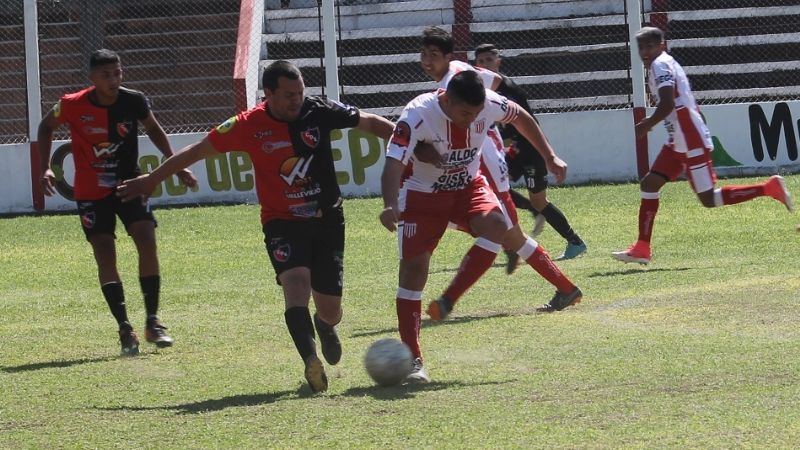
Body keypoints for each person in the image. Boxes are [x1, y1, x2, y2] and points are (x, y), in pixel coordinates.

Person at [118, 60, 394, 393]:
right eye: (289, 94)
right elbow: (198, 150)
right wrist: (152, 179)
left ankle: (324, 325)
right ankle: (310, 361)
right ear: (269, 94)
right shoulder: (248, 124)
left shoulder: (318, 110)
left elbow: (370, 122)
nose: (297, 100)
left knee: (330, 309)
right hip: (281, 221)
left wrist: (410, 145)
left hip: (327, 220)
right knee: (295, 284)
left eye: (300, 92)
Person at [380, 71, 582, 384]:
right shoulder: (417, 114)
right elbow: (393, 162)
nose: (471, 120)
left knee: (498, 225)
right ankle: (413, 360)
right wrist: (390, 204)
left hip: (468, 187)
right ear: (446, 98)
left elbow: (522, 116)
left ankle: (448, 300)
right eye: (464, 114)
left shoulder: (488, 104)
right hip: (421, 194)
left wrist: (550, 155)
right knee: (413, 271)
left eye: (476, 115)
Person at [37, 49, 196, 357]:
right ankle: (125, 327)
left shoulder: (133, 100)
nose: (113, 79)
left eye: (117, 73)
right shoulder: (72, 104)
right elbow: (46, 127)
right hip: (91, 192)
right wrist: (45, 166)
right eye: (106, 75)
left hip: (129, 184)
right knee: (104, 253)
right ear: (92, 78)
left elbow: (153, 128)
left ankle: (153, 321)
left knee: (147, 239)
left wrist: (175, 163)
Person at [417, 27, 583, 320]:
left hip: (485, 162)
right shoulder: (456, 73)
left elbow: (507, 96)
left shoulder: (452, 81)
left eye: (434, 56)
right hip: (480, 156)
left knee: (502, 233)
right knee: (508, 235)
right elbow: (497, 82)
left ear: (447, 57)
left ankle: (447, 301)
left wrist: (491, 119)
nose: (428, 62)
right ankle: (565, 288)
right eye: (424, 55)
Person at [612, 27, 794, 265]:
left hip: (689, 138)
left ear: (661, 45)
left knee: (709, 199)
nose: (645, 52)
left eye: (650, 46)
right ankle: (642, 248)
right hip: (678, 139)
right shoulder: (663, 63)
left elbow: (667, 103)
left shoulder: (660, 65)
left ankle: (768, 188)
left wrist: (647, 124)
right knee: (650, 183)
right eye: (641, 48)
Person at [474, 43, 587, 268]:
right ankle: (519, 233)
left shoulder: (506, 88)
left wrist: (548, 155)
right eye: (482, 61)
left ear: (499, 62)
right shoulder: (482, 94)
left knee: (539, 200)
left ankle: (575, 242)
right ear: (477, 66)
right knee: (491, 186)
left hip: (531, 151)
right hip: (514, 150)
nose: (486, 65)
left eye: (490, 60)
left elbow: (526, 124)